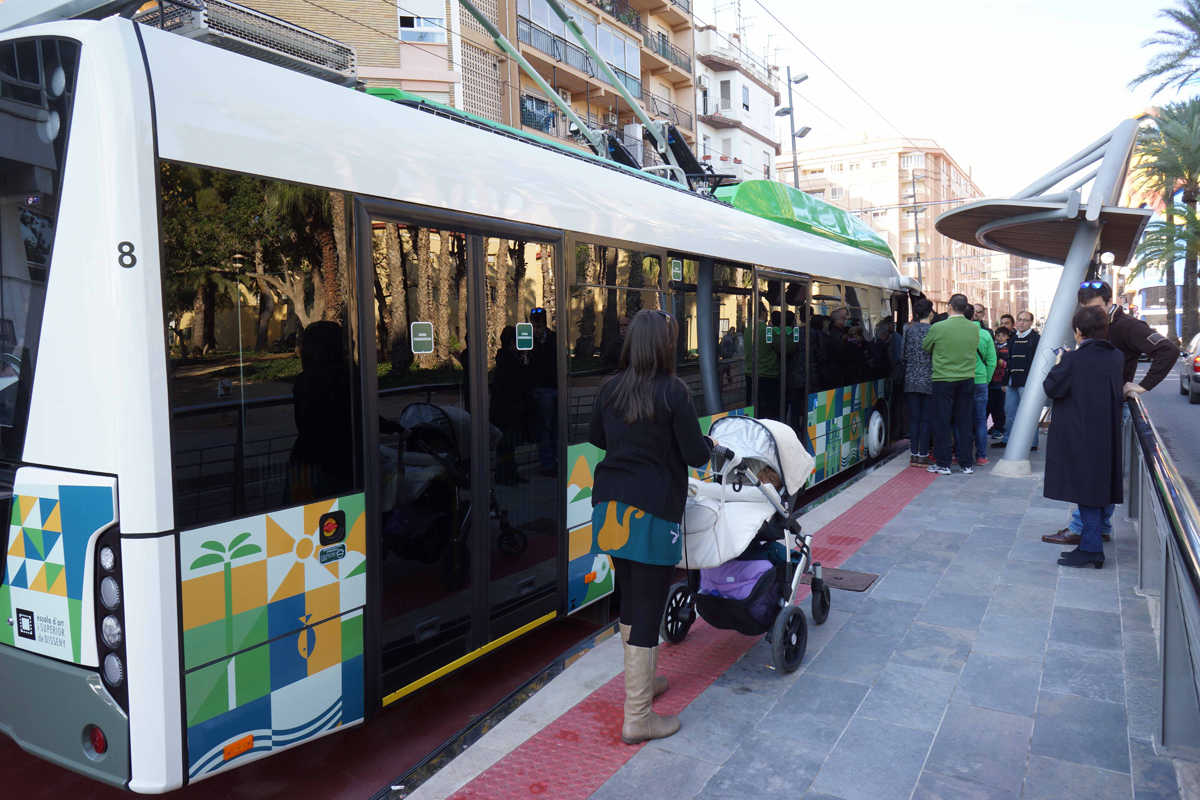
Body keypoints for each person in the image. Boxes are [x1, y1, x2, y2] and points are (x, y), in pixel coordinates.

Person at [588, 309, 714, 744]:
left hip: (610, 510)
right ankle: (638, 716)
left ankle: (646, 679)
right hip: (652, 513)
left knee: (630, 599)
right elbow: (696, 455)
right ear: (664, 346)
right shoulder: (673, 391)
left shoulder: (609, 387)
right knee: (647, 607)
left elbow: (599, 440)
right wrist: (710, 445)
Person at [1043, 280, 1180, 546]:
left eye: (1096, 308)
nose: (1092, 316)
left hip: (1111, 408)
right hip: (1093, 407)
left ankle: (1084, 528)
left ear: (1109, 302)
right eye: (1086, 309)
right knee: (1097, 470)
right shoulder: (1103, 325)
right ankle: (1097, 526)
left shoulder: (1127, 325)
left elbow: (1168, 349)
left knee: (1093, 470)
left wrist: (1141, 386)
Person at [1042, 305, 1123, 568]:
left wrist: (1058, 363)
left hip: (1079, 432)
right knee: (1098, 487)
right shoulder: (1116, 356)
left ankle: (1091, 549)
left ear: (1078, 331)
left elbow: (1052, 387)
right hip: (1106, 432)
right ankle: (1092, 544)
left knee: (1086, 489)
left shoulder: (1073, 360)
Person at [922, 293, 979, 475]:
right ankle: (966, 464)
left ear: (949, 306)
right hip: (967, 378)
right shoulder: (974, 327)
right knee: (964, 421)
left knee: (942, 422)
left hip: (943, 379)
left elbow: (926, 347)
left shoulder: (938, 327)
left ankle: (944, 463)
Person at [994, 310, 1040, 449]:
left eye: (1025, 320)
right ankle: (1008, 440)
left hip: (1027, 381)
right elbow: (1009, 361)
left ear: (1031, 322)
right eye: (1019, 319)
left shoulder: (1036, 338)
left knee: (1029, 413)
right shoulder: (1013, 338)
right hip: (1011, 381)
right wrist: (1004, 381)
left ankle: (1032, 443)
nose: (1021, 322)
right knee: (1010, 412)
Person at [902, 298, 935, 466]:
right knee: (926, 419)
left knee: (914, 418)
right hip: (929, 380)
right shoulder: (934, 330)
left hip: (911, 379)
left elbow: (903, 355)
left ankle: (913, 454)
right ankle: (923, 454)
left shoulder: (908, 329)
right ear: (930, 312)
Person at [529, 306, 558, 475]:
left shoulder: (553, 338)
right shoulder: (529, 340)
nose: (537, 326)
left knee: (554, 427)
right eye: (535, 322)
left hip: (553, 386)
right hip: (541, 389)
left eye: (539, 322)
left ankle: (554, 460)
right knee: (545, 428)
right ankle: (548, 463)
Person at [967, 305, 997, 466]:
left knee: (962, 419)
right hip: (980, 381)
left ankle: (961, 454)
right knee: (980, 421)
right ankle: (981, 456)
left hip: (962, 380)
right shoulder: (985, 334)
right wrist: (987, 378)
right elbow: (992, 361)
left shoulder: (960, 334)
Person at [988, 327, 1011, 438]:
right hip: (992, 382)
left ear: (1007, 337)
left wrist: (1000, 361)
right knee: (992, 407)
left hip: (1002, 382)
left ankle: (1000, 429)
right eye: (998, 335)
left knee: (1001, 408)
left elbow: (1007, 364)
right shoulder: (993, 347)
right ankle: (996, 427)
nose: (1000, 338)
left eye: (1003, 335)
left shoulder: (1008, 348)